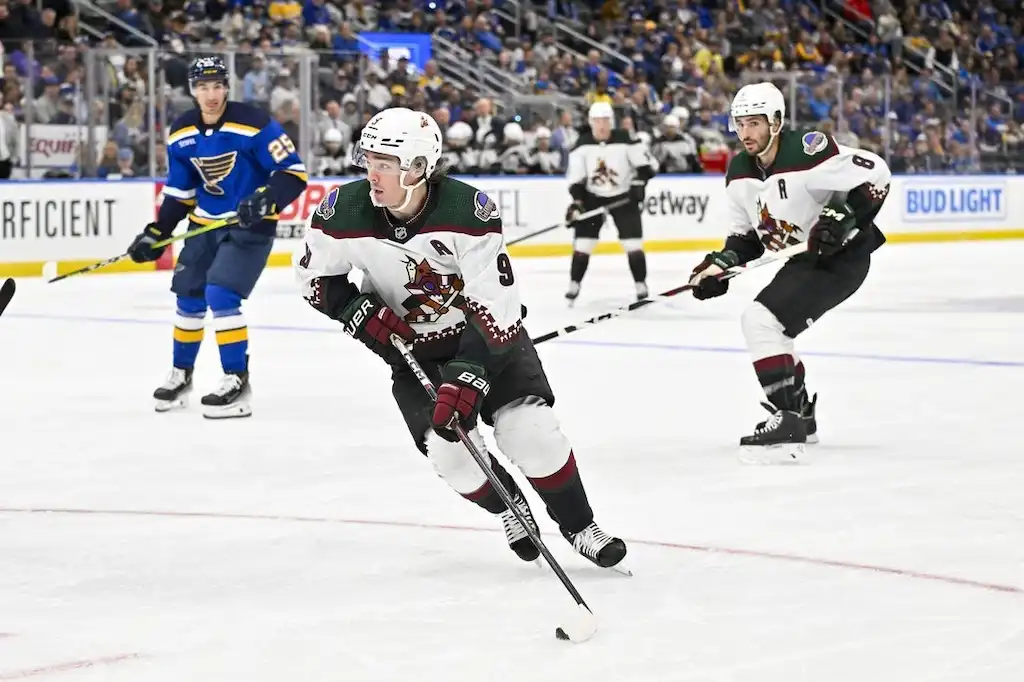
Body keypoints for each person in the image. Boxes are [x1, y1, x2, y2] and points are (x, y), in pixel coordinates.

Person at [293, 106, 628, 570]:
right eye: (368, 159)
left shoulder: (467, 211)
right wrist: (355, 310)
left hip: (487, 344)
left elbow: (497, 305)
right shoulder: (343, 210)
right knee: (451, 456)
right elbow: (313, 277)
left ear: (418, 168)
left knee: (528, 434)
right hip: (414, 354)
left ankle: (578, 524)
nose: (372, 173)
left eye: (384, 164)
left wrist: (469, 374)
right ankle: (509, 504)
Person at [687, 82, 891, 460]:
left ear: (776, 122)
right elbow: (744, 240)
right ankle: (800, 416)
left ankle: (790, 418)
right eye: (740, 124)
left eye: (755, 123)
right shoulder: (739, 172)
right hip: (805, 259)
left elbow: (876, 174)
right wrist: (719, 267)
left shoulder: (806, 149)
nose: (746, 133)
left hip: (842, 256)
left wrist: (841, 218)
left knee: (762, 322)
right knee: (768, 326)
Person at [127, 56, 307, 419]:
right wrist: (158, 231)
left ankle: (236, 380)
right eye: (203, 87)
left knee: (221, 294)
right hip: (203, 226)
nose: (211, 94)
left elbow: (292, 173)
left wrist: (266, 198)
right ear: (193, 90)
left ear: (227, 87)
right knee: (188, 297)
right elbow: (180, 192)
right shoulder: (181, 132)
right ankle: (181, 375)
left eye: (217, 86)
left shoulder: (254, 123)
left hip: (249, 228)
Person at [564, 101, 656, 304]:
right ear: (591, 123)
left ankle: (641, 285)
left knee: (633, 244)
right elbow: (576, 180)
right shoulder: (582, 145)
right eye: (598, 121)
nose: (602, 126)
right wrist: (578, 202)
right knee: (583, 244)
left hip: (623, 197)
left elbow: (647, 166)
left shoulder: (626, 140)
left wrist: (639, 182)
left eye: (606, 121)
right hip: (592, 198)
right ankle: (574, 284)